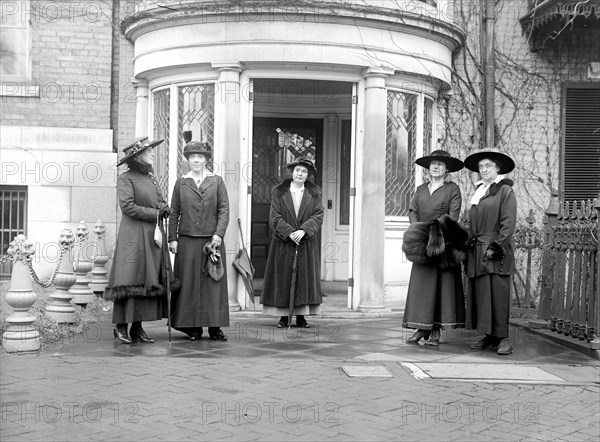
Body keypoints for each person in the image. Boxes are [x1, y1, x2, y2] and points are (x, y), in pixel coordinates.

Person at [104, 137, 171, 344]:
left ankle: (137, 328)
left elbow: (158, 200)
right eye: (149, 151)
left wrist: (164, 207)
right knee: (130, 279)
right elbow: (128, 207)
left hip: (152, 236)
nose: (152, 153)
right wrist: (155, 212)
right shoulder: (126, 179)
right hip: (133, 235)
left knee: (147, 279)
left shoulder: (151, 177)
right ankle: (121, 326)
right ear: (138, 156)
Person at [402, 150, 466, 345]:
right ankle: (422, 328)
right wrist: (419, 231)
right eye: (432, 164)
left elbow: (453, 216)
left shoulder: (452, 189)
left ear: (447, 169)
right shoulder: (421, 189)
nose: (435, 167)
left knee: (441, 288)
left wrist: (435, 233)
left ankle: (436, 331)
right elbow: (413, 211)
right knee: (422, 287)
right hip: (422, 244)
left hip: (443, 245)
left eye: (440, 164)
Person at [168, 141, 230, 341]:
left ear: (206, 160)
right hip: (187, 241)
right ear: (187, 160)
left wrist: (218, 234)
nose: (196, 160)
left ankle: (215, 327)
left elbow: (224, 209)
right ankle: (192, 327)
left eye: (200, 157)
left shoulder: (217, 181)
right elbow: (174, 212)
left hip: (211, 241)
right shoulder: (182, 183)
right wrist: (172, 238)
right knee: (189, 284)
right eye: (192, 157)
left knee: (213, 283)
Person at [463, 148, 517, 355]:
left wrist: (497, 246)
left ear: (498, 168)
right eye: (481, 167)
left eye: (488, 166)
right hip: (477, 252)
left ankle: (503, 338)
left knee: (498, 294)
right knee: (483, 295)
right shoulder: (480, 190)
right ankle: (488, 335)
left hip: (494, 251)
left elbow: (508, 222)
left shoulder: (505, 191)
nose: (484, 170)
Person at [262, 156, 324, 328]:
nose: (300, 174)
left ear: (308, 174)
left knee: (303, 279)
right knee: (283, 278)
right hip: (283, 243)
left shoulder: (315, 193)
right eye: (297, 170)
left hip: (306, 243)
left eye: (304, 171)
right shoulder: (279, 192)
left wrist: (304, 230)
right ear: (292, 171)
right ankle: (283, 316)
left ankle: (301, 317)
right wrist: (290, 232)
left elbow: (318, 215)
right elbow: (274, 217)